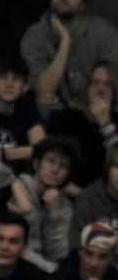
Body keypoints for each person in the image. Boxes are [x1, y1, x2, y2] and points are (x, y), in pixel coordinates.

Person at [21, 0, 118, 114]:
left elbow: (112, 82)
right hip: (56, 111)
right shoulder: (35, 35)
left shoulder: (103, 31)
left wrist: (78, 106)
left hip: (96, 107)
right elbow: (45, 92)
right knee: (41, 106)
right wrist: (65, 43)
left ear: (83, 5)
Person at [9, 134, 79, 271]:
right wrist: (48, 267)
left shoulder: (65, 206)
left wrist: (54, 218)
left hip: (40, 270)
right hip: (15, 265)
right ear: (36, 164)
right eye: (50, 161)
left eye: (63, 166)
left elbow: (58, 254)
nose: (55, 170)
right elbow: (14, 247)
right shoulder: (17, 190)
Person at [48, 61, 118, 190]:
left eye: (107, 84)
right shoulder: (66, 119)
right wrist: (82, 197)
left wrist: (106, 125)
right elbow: (50, 165)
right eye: (95, 83)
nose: (100, 89)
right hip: (67, 192)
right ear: (86, 88)